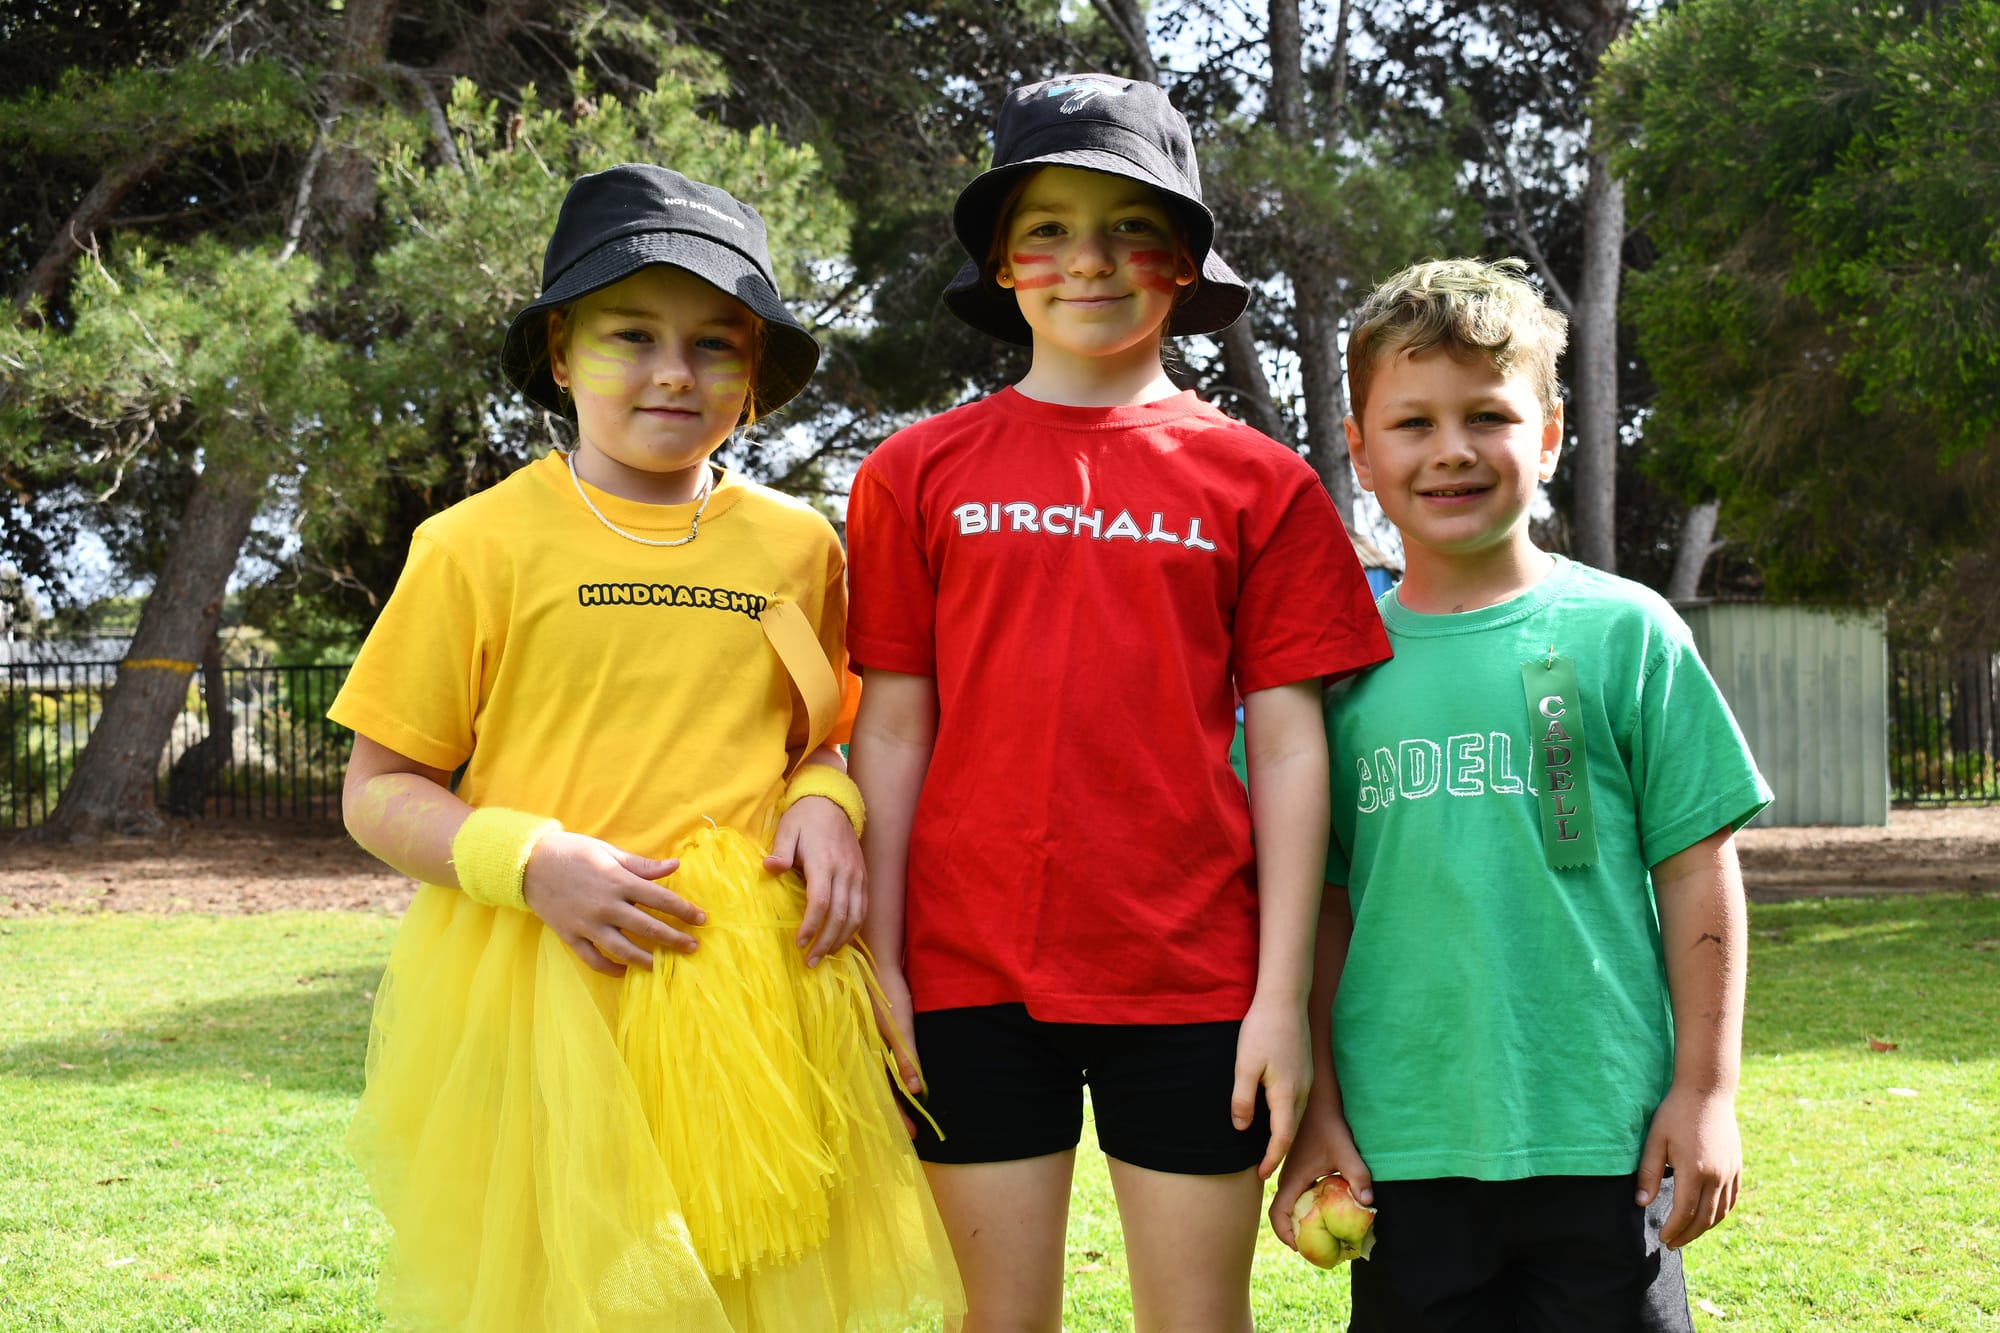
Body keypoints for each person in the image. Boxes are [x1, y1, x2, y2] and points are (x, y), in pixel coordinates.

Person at [328, 163, 960, 1333]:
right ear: (561, 352)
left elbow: (818, 740)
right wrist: (530, 861)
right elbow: (378, 790)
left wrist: (825, 803)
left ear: (754, 373)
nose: (675, 373)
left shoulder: (795, 548)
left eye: (716, 344)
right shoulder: (474, 546)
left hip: (752, 999)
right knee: (565, 1292)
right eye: (632, 335)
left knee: (754, 1282)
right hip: (546, 992)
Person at [844, 75, 1392, 1333]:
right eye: (1047, 228)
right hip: (965, 976)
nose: (1088, 260)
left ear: (1185, 262)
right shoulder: (913, 472)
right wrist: (881, 958)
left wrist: (1276, 997)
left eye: (1130, 227)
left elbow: (1291, 748)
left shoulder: (1259, 482)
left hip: (1192, 978)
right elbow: (892, 725)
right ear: (1001, 262)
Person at [1270, 256, 1772, 1332]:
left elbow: (1697, 868)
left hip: (1604, 1141)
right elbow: (1316, 908)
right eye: (1412, 422)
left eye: (1486, 416)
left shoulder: (1628, 632)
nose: (1450, 448)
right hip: (1403, 1150)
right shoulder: (1326, 673)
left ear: (1547, 435)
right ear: (1358, 448)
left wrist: (1705, 1092)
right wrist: (1319, 1108)